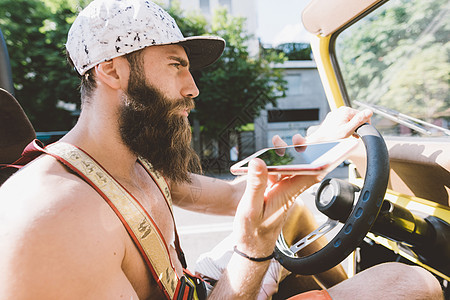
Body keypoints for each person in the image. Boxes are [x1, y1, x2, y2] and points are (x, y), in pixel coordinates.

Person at [0, 0, 443, 299]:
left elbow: (238, 198)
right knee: (405, 281)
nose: (192, 89)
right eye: (176, 66)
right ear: (112, 71)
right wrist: (253, 250)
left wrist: (314, 153)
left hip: (197, 285)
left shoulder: (134, 162)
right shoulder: (53, 221)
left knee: (328, 230)